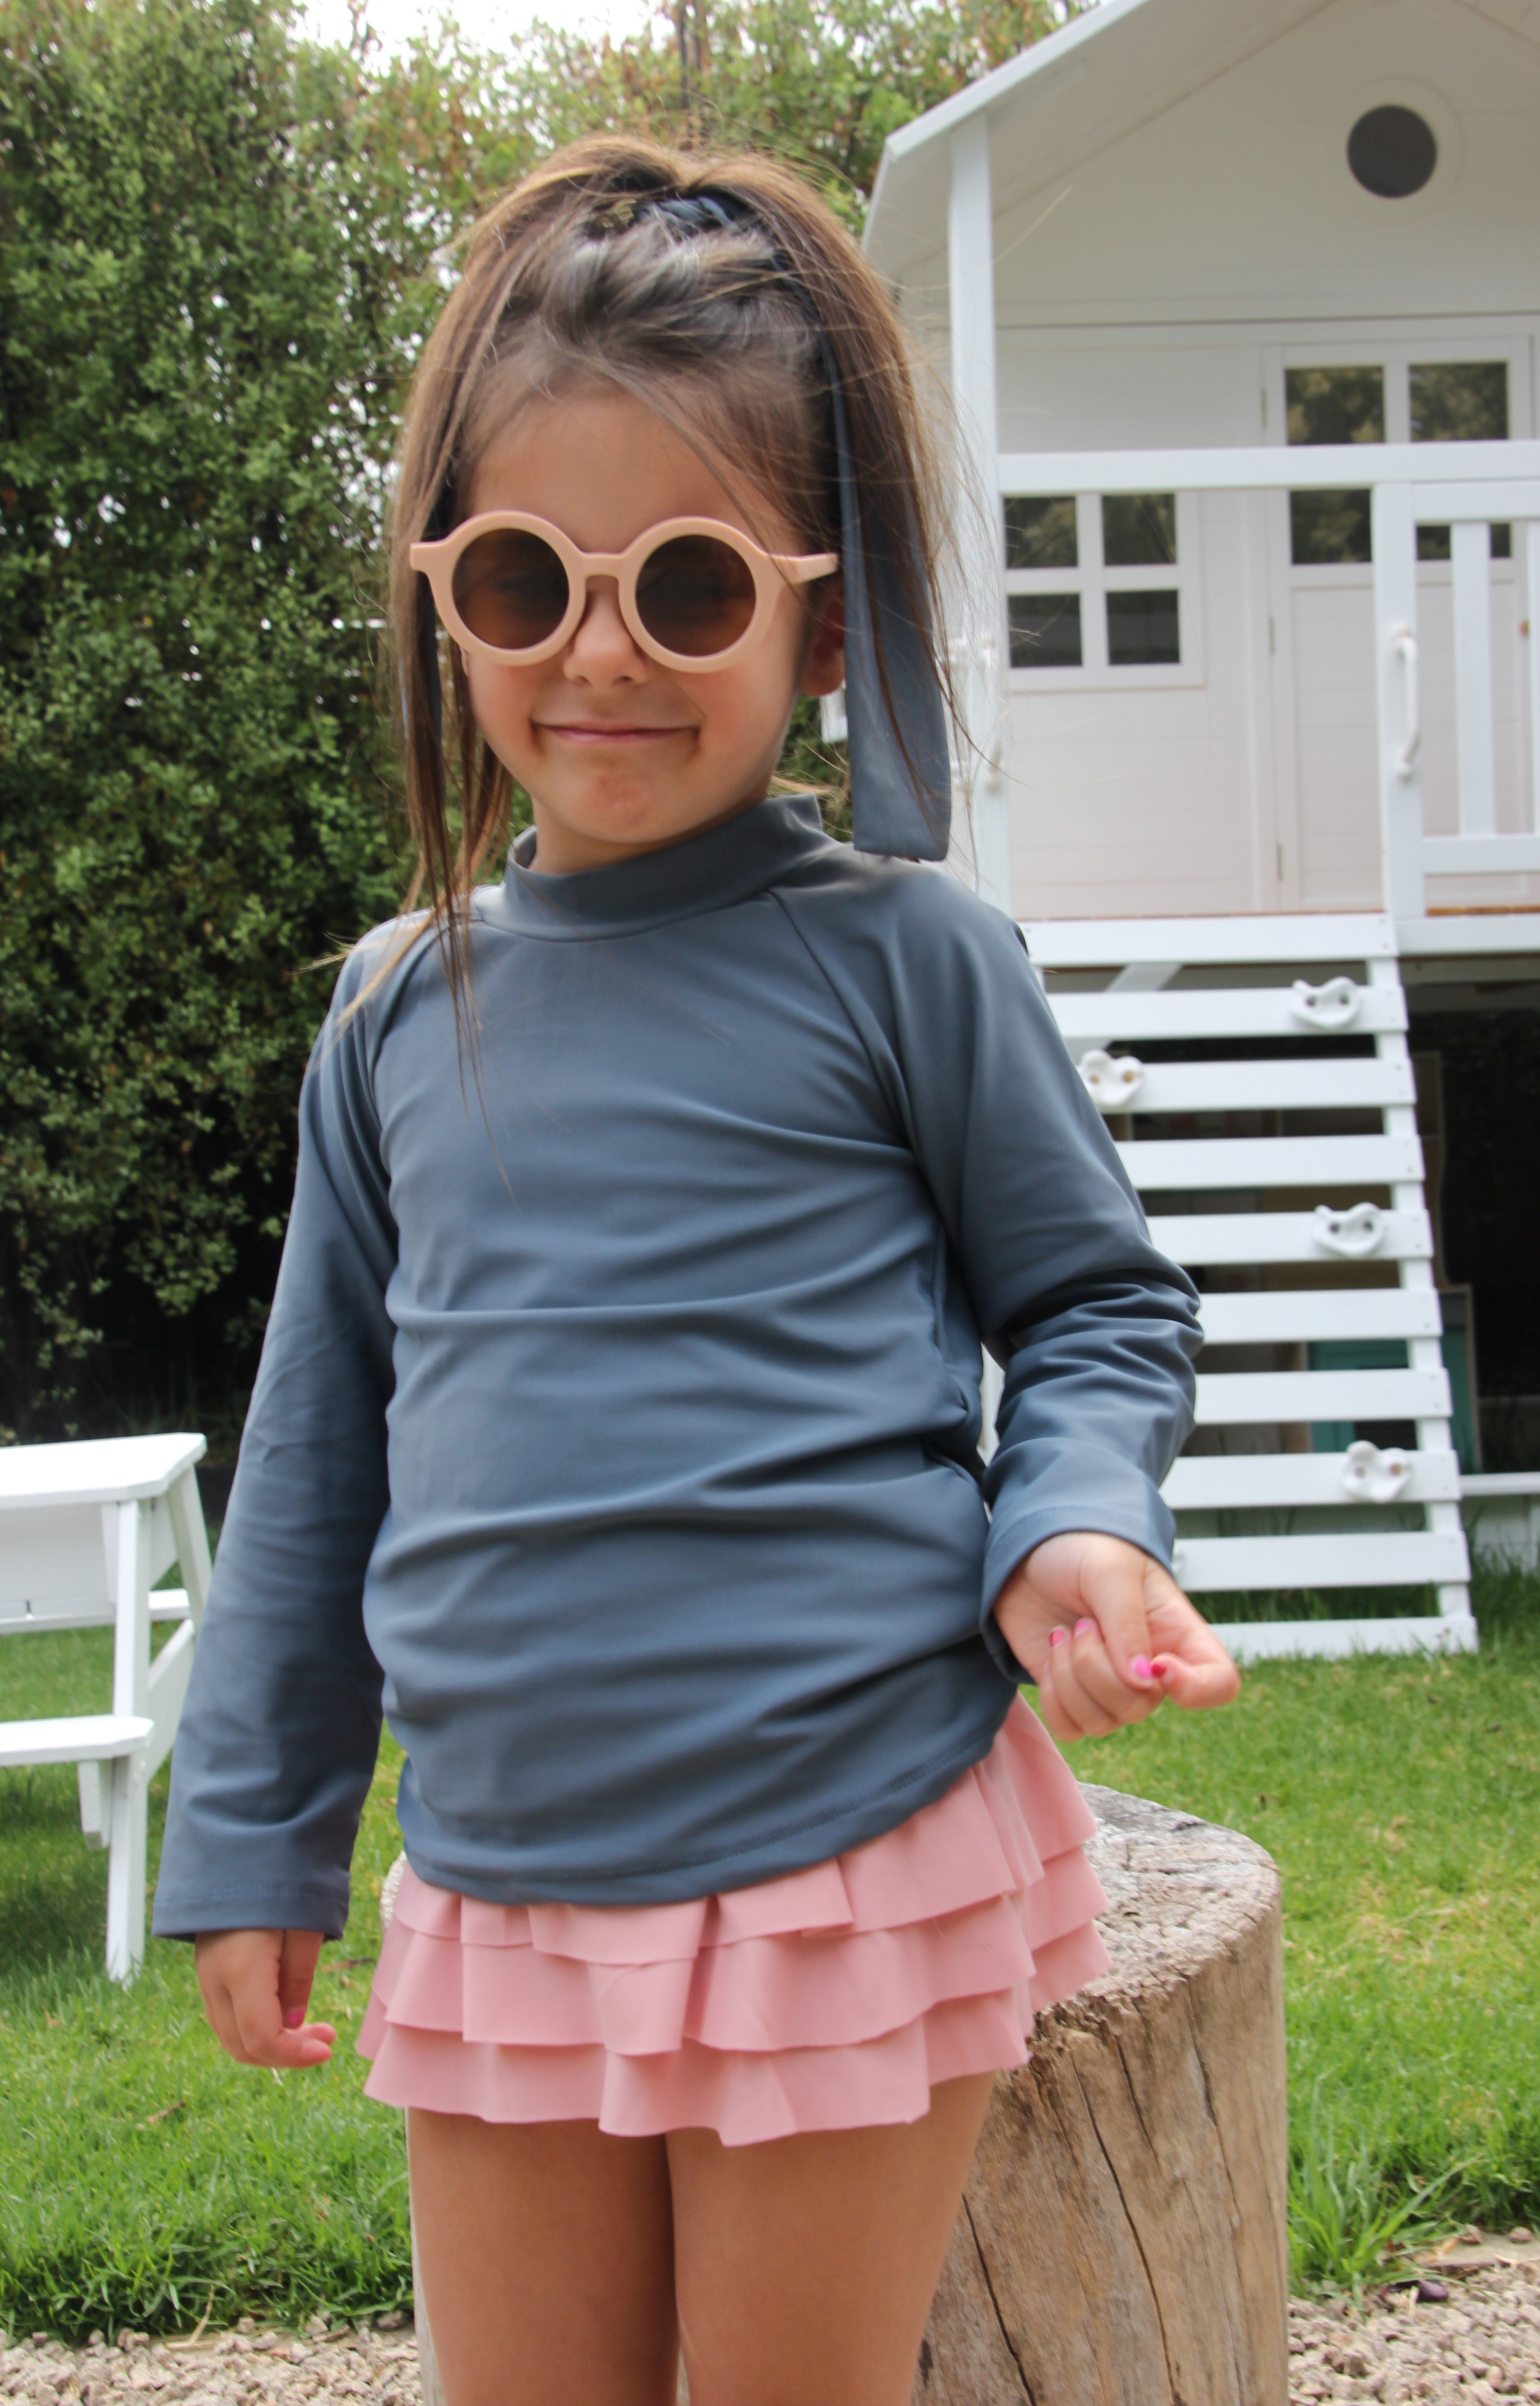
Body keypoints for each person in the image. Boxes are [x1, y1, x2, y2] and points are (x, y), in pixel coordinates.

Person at [154, 137, 1239, 2406]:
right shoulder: (391, 1011)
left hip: (839, 1850)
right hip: (498, 1878)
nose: (602, 653)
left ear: (824, 621)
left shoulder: (907, 963)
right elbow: (313, 1457)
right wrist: (252, 1827)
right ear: (447, 598)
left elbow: (1095, 1305)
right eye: (528, 578)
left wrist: (1075, 1520)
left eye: (693, 587)